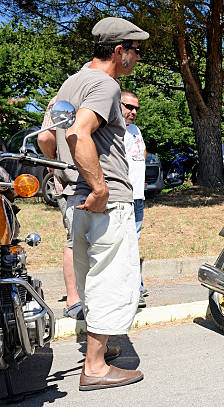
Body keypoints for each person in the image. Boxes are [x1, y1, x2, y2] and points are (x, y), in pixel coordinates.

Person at [54, 16, 148, 391]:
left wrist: (73, 182)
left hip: (77, 200)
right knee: (112, 281)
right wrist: (101, 188)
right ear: (119, 52)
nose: (138, 58)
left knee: (92, 281)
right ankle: (94, 367)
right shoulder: (105, 84)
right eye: (136, 51)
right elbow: (79, 132)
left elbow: (50, 138)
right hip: (105, 202)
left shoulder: (70, 83)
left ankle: (100, 350)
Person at [38, 97, 84, 320]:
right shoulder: (68, 97)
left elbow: (45, 138)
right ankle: (73, 299)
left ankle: (78, 299)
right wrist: (58, 161)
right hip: (75, 182)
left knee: (77, 241)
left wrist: (54, 160)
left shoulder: (62, 96)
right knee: (76, 242)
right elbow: (45, 138)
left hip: (75, 181)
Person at [121, 90, 148, 308]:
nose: (133, 111)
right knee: (124, 245)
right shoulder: (112, 130)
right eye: (128, 106)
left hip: (138, 197)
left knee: (133, 244)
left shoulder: (135, 130)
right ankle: (131, 290)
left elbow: (143, 153)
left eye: (136, 108)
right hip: (123, 196)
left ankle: (135, 286)